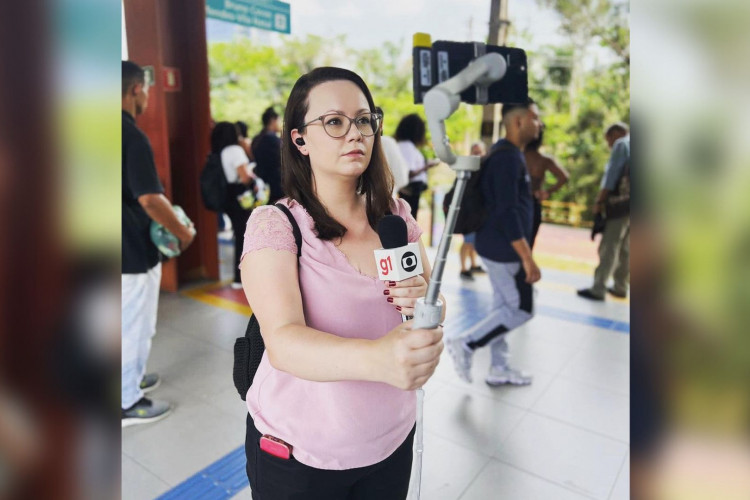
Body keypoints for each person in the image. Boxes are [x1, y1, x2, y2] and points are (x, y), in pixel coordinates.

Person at [239, 67, 445, 500]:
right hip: (300, 455)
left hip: (391, 439)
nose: (356, 134)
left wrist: (430, 303)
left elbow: (432, 297)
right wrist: (380, 359)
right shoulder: (276, 226)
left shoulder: (395, 216)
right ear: (299, 139)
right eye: (334, 122)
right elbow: (283, 341)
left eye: (365, 120)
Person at [447, 98, 542, 387]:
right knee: (523, 308)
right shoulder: (506, 158)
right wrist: (526, 256)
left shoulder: (505, 154)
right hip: (504, 249)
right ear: (518, 121)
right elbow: (507, 211)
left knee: (503, 307)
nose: (539, 125)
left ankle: (499, 367)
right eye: (535, 118)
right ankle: (466, 344)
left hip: (497, 246)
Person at [121, 60, 195, 426]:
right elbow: (150, 199)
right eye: (146, 89)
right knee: (134, 324)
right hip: (130, 251)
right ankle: (126, 400)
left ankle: (125, 380)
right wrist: (183, 233)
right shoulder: (129, 135)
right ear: (136, 89)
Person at [578, 122, 630, 300]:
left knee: (610, 245)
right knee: (627, 247)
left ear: (617, 133)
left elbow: (612, 175)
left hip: (621, 205)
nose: (609, 146)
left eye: (609, 140)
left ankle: (598, 288)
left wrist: (600, 201)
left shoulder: (622, 144)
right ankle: (620, 286)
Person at [212, 121, 255, 289]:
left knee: (239, 234)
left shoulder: (220, 152)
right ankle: (240, 277)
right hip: (239, 195)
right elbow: (244, 177)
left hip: (227, 196)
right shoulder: (235, 150)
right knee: (244, 236)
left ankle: (238, 276)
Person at [523, 124, 569, 248]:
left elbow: (564, 177)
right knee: (528, 243)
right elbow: (564, 177)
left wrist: (547, 191)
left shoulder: (517, 156)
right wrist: (548, 192)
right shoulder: (543, 160)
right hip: (533, 202)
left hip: (521, 202)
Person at [395, 113, 440, 219]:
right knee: (409, 219)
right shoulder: (407, 147)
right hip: (410, 190)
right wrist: (426, 166)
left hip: (412, 191)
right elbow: (408, 173)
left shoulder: (404, 146)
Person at [459, 142, 488, 281]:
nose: (477, 155)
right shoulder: (467, 170)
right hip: (469, 213)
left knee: (473, 241)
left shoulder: (482, 169)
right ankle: (463, 268)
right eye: (474, 152)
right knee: (468, 241)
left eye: (479, 152)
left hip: (478, 213)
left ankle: (473, 264)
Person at [251, 107, 283, 204]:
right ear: (273, 120)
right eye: (279, 120)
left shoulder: (256, 139)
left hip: (263, 183)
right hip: (277, 185)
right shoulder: (272, 139)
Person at [375, 106, 409, 197]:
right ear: (381, 124)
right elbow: (402, 178)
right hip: (384, 204)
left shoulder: (351, 142)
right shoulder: (387, 143)